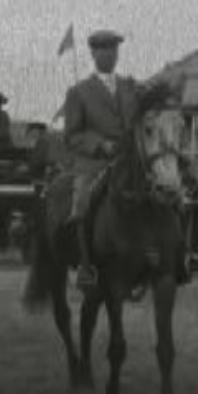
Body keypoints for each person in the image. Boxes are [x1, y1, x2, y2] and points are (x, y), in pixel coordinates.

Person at [63, 30, 144, 291]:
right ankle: (86, 266)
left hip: (130, 160)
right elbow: (72, 135)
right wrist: (100, 144)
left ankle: (177, 258)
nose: (110, 54)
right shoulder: (78, 92)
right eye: (105, 50)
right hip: (94, 163)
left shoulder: (130, 86)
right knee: (82, 203)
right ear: (94, 54)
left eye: (114, 49)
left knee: (166, 189)